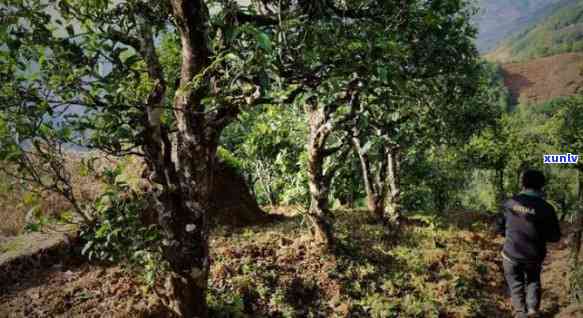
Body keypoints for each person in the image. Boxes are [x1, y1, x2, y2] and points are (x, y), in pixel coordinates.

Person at [495, 169, 561, 318]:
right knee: (533, 281)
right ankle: (532, 310)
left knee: (515, 284)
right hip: (534, 256)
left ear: (522, 183)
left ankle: (520, 312)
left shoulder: (510, 203)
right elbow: (555, 237)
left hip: (511, 254)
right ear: (542, 186)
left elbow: (499, 228)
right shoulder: (547, 208)